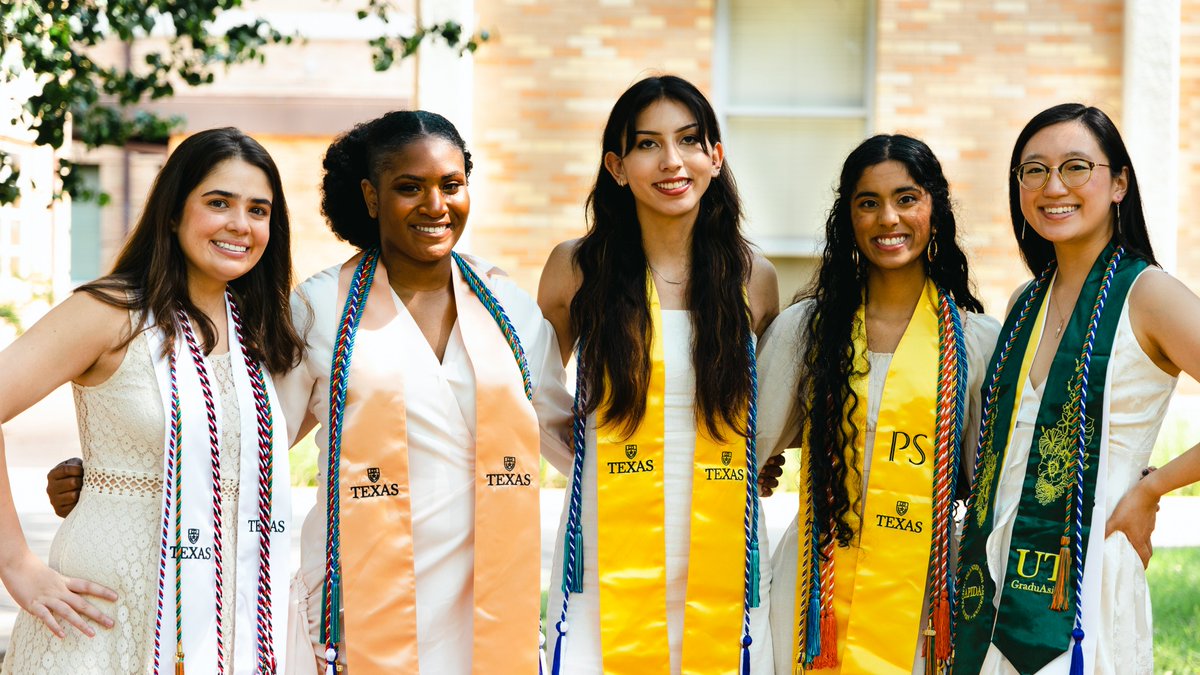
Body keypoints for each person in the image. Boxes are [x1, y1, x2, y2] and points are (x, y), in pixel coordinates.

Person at [276, 110, 572, 674]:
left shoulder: (507, 306)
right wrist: (113, 475)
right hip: (360, 602)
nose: (436, 206)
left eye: (451, 185)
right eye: (409, 187)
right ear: (370, 196)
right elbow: (253, 441)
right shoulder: (321, 308)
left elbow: (566, 435)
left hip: (485, 600)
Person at [2, 127, 302, 674]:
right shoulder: (112, 311)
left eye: (258, 210)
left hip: (225, 622)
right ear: (172, 211)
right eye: (218, 203)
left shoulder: (262, 336)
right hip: (102, 615)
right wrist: (16, 564)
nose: (240, 224)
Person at [539, 74, 780, 675]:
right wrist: (587, 461)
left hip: (722, 535)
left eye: (690, 141)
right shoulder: (578, 267)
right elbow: (533, 393)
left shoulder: (754, 277)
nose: (673, 161)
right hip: (608, 534)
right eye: (648, 145)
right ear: (617, 167)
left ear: (715, 157)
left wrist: (762, 458)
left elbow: (771, 405)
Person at [954, 103, 1200, 675]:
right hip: (990, 572)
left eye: (1075, 167)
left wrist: (1153, 488)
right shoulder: (1024, 304)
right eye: (1033, 170)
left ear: (1118, 183)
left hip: (1086, 572)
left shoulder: (1150, 295)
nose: (1052, 186)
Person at [758, 134, 999, 674]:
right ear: (849, 219)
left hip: (926, 596)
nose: (888, 217)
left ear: (935, 210)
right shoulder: (808, 332)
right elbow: (736, 449)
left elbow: (993, 479)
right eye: (868, 203)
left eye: (906, 198)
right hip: (815, 594)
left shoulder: (975, 341)